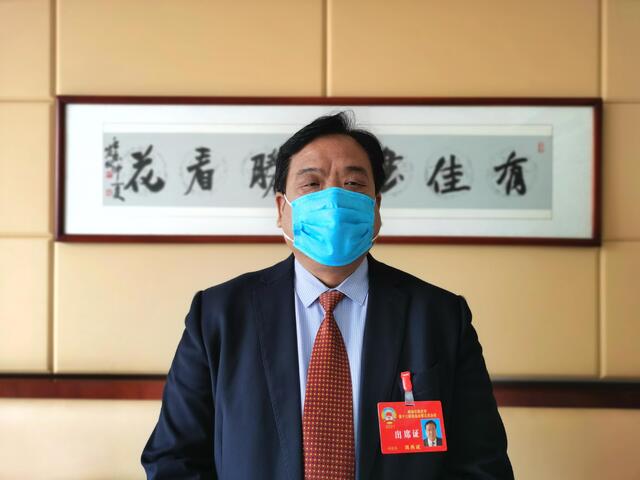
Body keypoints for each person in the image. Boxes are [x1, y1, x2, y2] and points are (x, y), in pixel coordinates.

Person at [141, 112, 514, 479]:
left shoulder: (440, 317)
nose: (333, 200)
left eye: (353, 184)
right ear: (281, 209)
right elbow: (174, 460)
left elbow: (482, 466)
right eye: (312, 183)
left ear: (376, 209)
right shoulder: (219, 316)